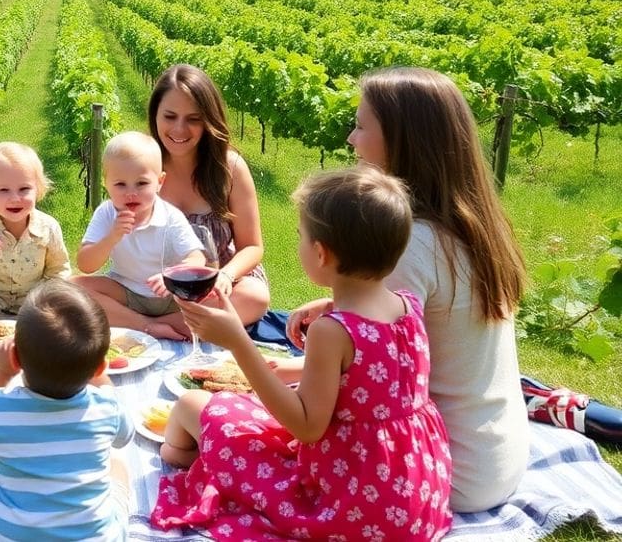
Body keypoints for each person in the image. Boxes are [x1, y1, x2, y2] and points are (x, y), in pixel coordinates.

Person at [151, 165, 452, 541]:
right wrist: (331, 304)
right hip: (415, 496)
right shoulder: (408, 306)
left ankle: (186, 458)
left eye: (301, 237)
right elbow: (372, 369)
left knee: (196, 407)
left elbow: (307, 427)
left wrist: (239, 343)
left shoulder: (332, 333)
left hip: (352, 504)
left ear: (321, 253)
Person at [286, 66, 529, 512]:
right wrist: (333, 306)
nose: (351, 139)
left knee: (248, 432)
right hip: (499, 457)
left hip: (439, 472)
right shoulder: (472, 225)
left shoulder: (411, 245)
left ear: (402, 140)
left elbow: (347, 394)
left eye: (361, 126)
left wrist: (269, 376)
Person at [0, 280, 133, 541]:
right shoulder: (107, 407)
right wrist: (101, 378)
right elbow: (125, 437)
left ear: (15, 358)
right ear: (100, 368)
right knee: (118, 464)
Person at [149, 63, 269, 332]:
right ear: (155, 114)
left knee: (255, 296)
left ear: (208, 120)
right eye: (170, 116)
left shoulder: (230, 168)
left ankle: (150, 326)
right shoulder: (143, 165)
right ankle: (181, 326)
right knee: (81, 288)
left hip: (216, 288)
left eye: (193, 119)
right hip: (157, 286)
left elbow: (252, 247)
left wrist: (226, 275)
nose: (180, 129)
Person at [73, 131, 203, 337]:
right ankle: (146, 325)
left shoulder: (170, 216)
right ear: (106, 184)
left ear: (160, 182)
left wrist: (173, 277)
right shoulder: (106, 213)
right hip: (126, 291)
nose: (131, 193)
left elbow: (197, 258)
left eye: (141, 183)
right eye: (120, 184)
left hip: (170, 296)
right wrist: (112, 237)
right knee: (72, 287)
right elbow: (85, 264)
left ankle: (137, 322)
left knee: (216, 302)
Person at [0, 142, 69, 324]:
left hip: (34, 294)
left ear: (38, 189)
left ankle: (28, 327)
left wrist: (49, 295)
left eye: (24, 189)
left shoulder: (48, 227)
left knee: (55, 316)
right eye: (3, 190)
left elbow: (59, 268)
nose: (15, 198)